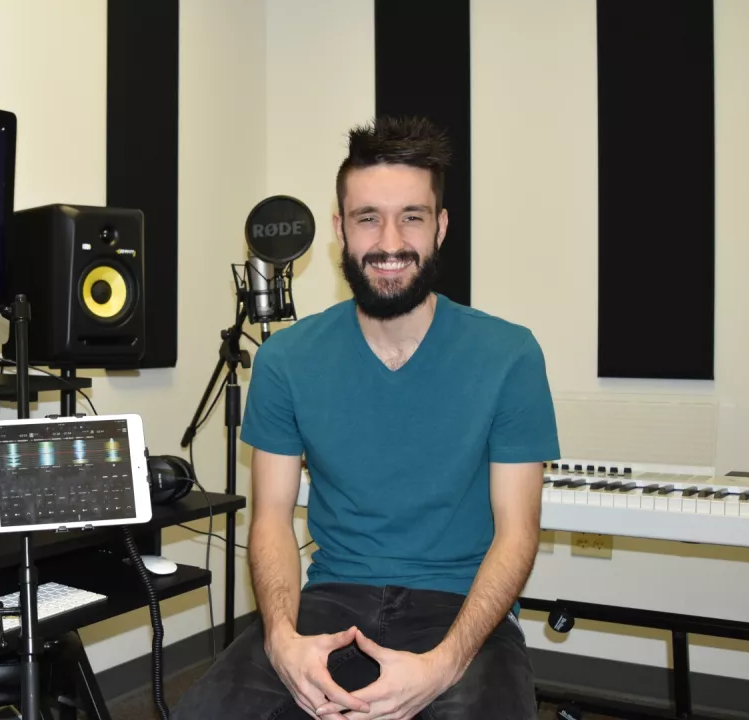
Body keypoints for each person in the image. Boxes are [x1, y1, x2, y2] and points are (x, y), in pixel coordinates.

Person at [172, 116, 559, 720]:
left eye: (412, 216)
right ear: (340, 230)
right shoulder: (286, 359)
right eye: (367, 217)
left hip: (460, 608)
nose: (389, 241)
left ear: (441, 227)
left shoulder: (509, 355)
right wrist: (282, 641)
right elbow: (271, 519)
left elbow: (517, 534)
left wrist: (444, 664)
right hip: (330, 602)